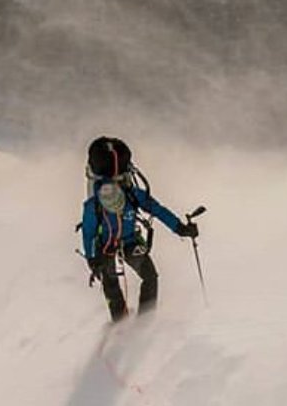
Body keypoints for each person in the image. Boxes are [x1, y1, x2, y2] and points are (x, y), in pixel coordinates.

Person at [80, 135, 198, 322]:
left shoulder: (93, 204)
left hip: (106, 246)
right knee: (149, 277)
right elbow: (158, 211)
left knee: (112, 283)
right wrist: (180, 228)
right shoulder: (132, 194)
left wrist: (92, 258)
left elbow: (88, 232)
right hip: (129, 241)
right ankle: (145, 322)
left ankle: (121, 322)